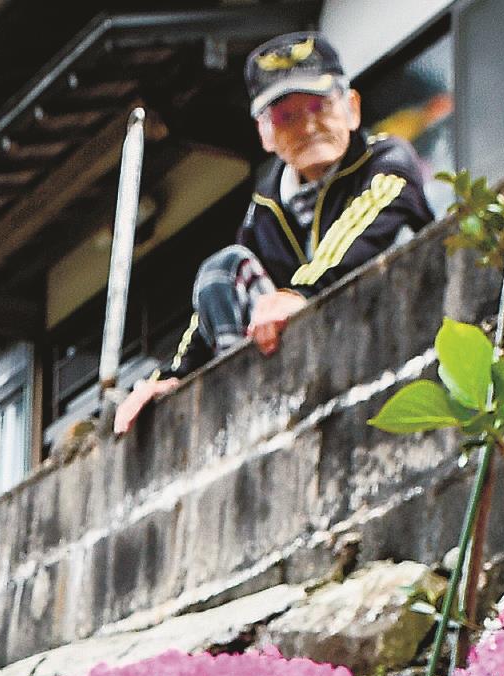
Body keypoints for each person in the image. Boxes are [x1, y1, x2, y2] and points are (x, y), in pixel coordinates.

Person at [113, 32, 435, 435]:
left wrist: (299, 295)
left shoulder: (388, 161)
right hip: (315, 366)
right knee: (223, 269)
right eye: (286, 117)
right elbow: (231, 281)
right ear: (265, 133)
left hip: (399, 328)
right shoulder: (266, 206)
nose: (308, 126)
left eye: (319, 105)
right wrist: (171, 374)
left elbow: (358, 231)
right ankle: (239, 398)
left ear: (352, 109)